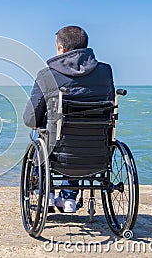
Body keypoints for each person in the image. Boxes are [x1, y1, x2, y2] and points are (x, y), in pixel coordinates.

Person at [23, 25, 115, 212]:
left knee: (40, 136)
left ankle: (46, 194)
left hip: (58, 154)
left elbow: (30, 119)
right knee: (81, 134)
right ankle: (68, 199)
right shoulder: (106, 72)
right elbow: (110, 104)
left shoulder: (47, 75)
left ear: (61, 49)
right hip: (96, 153)